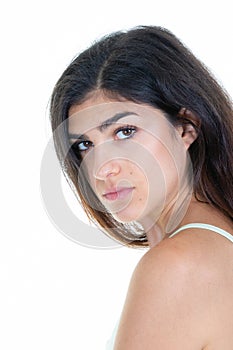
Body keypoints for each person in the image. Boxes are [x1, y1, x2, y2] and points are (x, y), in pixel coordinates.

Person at [50, 26, 233, 349]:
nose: (103, 167)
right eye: (85, 145)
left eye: (125, 132)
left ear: (186, 127)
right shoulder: (213, 243)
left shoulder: (178, 264)